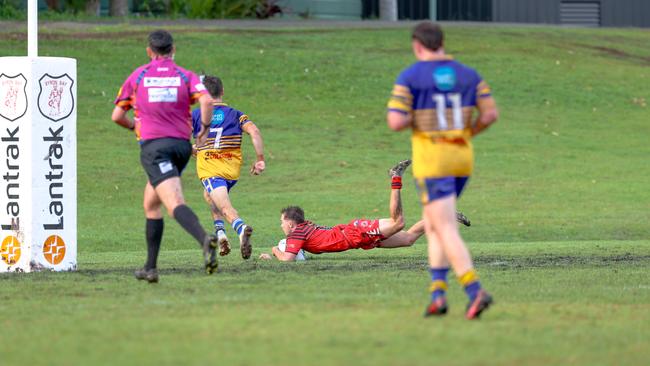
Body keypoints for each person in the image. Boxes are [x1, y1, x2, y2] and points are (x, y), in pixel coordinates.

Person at [387, 22, 499, 319]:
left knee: (445, 226)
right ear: (442, 42)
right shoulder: (468, 74)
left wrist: (420, 122)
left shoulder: (411, 76)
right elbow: (490, 114)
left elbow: (395, 121)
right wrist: (467, 132)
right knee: (434, 224)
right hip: (461, 158)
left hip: (433, 162)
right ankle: (437, 295)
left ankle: (475, 291)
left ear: (417, 46)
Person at [111, 29, 219, 283]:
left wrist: (134, 128)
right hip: (181, 147)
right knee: (151, 203)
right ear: (173, 50)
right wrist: (202, 130)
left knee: (173, 203)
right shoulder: (185, 76)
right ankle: (150, 268)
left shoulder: (138, 76)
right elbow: (206, 102)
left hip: (155, 149)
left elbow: (117, 116)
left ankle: (205, 240)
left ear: (149, 51)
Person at [259, 160, 425, 261]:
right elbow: (295, 252)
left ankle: (395, 177)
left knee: (398, 223)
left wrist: (274, 250)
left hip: (357, 232)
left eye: (282, 222)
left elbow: (288, 259)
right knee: (408, 239)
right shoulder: (303, 229)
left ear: (290, 223)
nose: (281, 225)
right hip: (357, 239)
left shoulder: (297, 234)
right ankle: (446, 216)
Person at [192, 75, 265, 260]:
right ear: (222, 92)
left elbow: (179, 137)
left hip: (211, 169)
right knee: (209, 196)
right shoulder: (236, 114)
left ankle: (241, 230)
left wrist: (190, 148)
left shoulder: (197, 114)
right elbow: (254, 131)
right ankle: (221, 234)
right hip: (232, 171)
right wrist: (260, 159)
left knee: (224, 206)